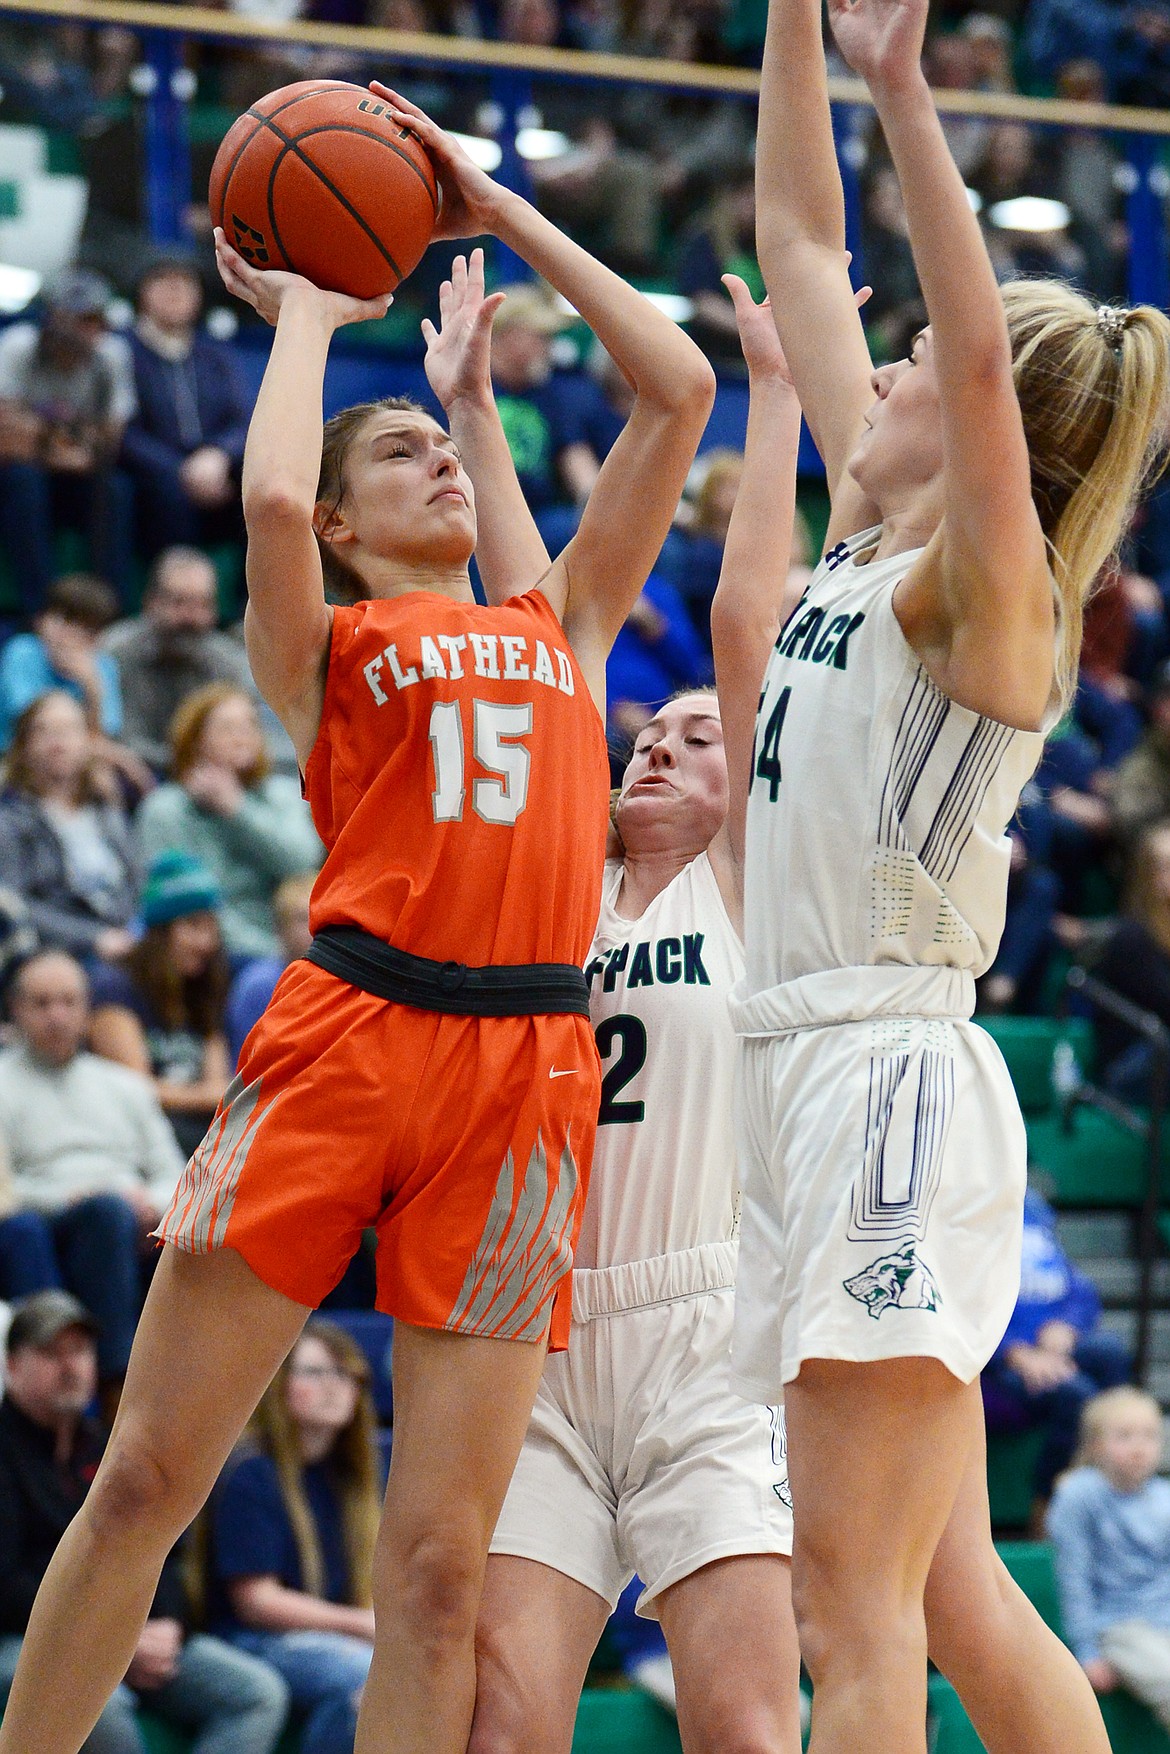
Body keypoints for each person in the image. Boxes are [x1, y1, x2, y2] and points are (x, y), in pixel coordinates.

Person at [0, 85, 714, 1754]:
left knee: (444, 1563)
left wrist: (492, 204)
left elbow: (677, 387)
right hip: (350, 1030)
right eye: (404, 453)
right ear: (339, 520)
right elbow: (259, 509)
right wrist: (316, 318)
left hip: (528, 1072)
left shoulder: (563, 620)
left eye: (452, 448)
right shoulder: (324, 650)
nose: (445, 463)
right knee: (142, 1479)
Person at [734, 0, 1170, 1748]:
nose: (888, 363)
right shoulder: (868, 533)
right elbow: (793, 237)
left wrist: (903, 87)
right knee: (952, 1587)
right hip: (798, 1075)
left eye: (905, 354)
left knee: (852, 1609)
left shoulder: (984, 594)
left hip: (888, 1074)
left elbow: (975, 360)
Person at [469, 277, 809, 1754]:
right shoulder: (563, 878)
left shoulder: (743, 883)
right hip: (534, 1331)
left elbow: (752, 630)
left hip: (704, 1336)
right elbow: (546, 634)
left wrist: (775, 400)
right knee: (500, 1725)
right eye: (646, 733)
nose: (660, 740)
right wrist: (476, 414)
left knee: (738, 1729)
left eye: (696, 736)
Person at [0, 1290, 290, 1754]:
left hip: (133, 1629)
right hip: (22, 1635)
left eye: (79, 1351)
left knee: (256, 1694)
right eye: (51, 1353)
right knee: (99, 1707)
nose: (70, 1366)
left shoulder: (108, 1446)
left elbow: (169, 1553)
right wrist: (108, 1636)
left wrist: (164, 1625)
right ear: (12, 1365)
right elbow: (6, 1583)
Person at [0, 951, 185, 1385]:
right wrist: (69, 1198)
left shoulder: (125, 1086)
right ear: (16, 1009)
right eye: (42, 1003)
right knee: (98, 1215)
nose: (57, 1015)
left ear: (87, 1010)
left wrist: (150, 1203)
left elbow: (175, 1176)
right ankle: (111, 1382)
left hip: (131, 1219)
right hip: (45, 1218)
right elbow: (4, 1193)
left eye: (68, 1002)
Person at [207, 1322, 385, 1754]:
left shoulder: (352, 1478)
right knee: (363, 1675)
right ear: (279, 1385)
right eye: (315, 1373)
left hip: (324, 1637)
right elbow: (256, 1602)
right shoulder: (253, 1471)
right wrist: (361, 1625)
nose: (334, 1387)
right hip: (247, 1640)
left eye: (345, 1375)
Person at [135, 682, 322, 961]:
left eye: (249, 726)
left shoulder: (281, 795)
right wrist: (264, 952)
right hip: (209, 953)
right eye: (227, 729)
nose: (241, 737)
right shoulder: (166, 809)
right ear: (196, 739)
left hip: (286, 943)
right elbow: (175, 898)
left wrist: (236, 808)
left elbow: (302, 862)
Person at [982, 1188, 1131, 1505]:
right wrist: (1013, 1351)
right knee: (1074, 1392)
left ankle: (1112, 1481)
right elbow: (954, 1306)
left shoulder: (1031, 1210)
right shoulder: (964, 1216)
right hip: (992, 1365)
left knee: (1110, 1352)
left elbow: (1080, 1292)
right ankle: (1048, 1502)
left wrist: (1067, 1326)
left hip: (1049, 1348)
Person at [0, 269, 136, 612]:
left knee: (116, 488)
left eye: (91, 321)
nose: (81, 331)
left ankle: (107, 611)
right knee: (22, 480)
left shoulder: (112, 356)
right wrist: (62, 445)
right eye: (73, 319)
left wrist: (41, 436)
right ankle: (39, 610)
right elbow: (6, 436)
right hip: (26, 471)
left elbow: (109, 441)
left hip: (79, 470)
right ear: (50, 319)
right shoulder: (20, 347)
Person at [89, 852, 232, 1156]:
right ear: (161, 931)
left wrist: (209, 1095)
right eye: (193, 926)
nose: (206, 942)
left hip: (195, 1128)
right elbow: (134, 1089)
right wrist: (205, 1096)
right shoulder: (116, 986)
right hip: (136, 1133)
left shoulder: (203, 986)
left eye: (211, 929)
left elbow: (217, 1080)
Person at [1047, 1386, 1170, 1728]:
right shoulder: (1078, 1495)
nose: (1139, 1447)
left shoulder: (1164, 1497)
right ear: (1094, 1445)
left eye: (1149, 1436)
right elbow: (1074, 1577)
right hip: (1119, 1628)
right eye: (1124, 1436)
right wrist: (1086, 1651)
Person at [121, 257, 250, 560]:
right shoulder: (122, 350)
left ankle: (253, 602)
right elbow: (122, 432)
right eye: (163, 279)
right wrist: (181, 470)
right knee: (161, 492)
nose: (176, 288)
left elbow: (244, 421)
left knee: (260, 482)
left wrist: (218, 455)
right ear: (142, 292)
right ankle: (171, 595)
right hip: (154, 477)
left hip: (214, 470)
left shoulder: (215, 355)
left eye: (186, 281)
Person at [0, 691, 139, 963]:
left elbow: (138, 881)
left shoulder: (108, 811)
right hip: (62, 952)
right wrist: (93, 938)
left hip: (127, 936)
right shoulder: (10, 823)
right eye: (44, 731)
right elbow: (14, 906)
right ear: (24, 746)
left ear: (88, 742)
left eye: (68, 730)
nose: (57, 741)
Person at [102, 547, 256, 776]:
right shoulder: (116, 653)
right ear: (151, 601)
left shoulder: (226, 662)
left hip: (214, 776)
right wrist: (191, 765)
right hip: (134, 778)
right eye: (179, 602)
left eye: (203, 605)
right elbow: (117, 738)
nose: (191, 617)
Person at [0, 572, 123, 751]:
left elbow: (103, 738)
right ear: (40, 620)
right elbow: (35, 726)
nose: (69, 634)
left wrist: (92, 689)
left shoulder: (103, 666)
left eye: (84, 627)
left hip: (78, 762)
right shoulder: (22, 651)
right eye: (64, 621)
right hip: (14, 760)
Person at [225, 871, 315, 1065]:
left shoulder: (338, 980)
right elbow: (246, 1064)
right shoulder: (259, 985)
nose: (312, 928)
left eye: (317, 915)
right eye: (301, 919)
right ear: (281, 929)